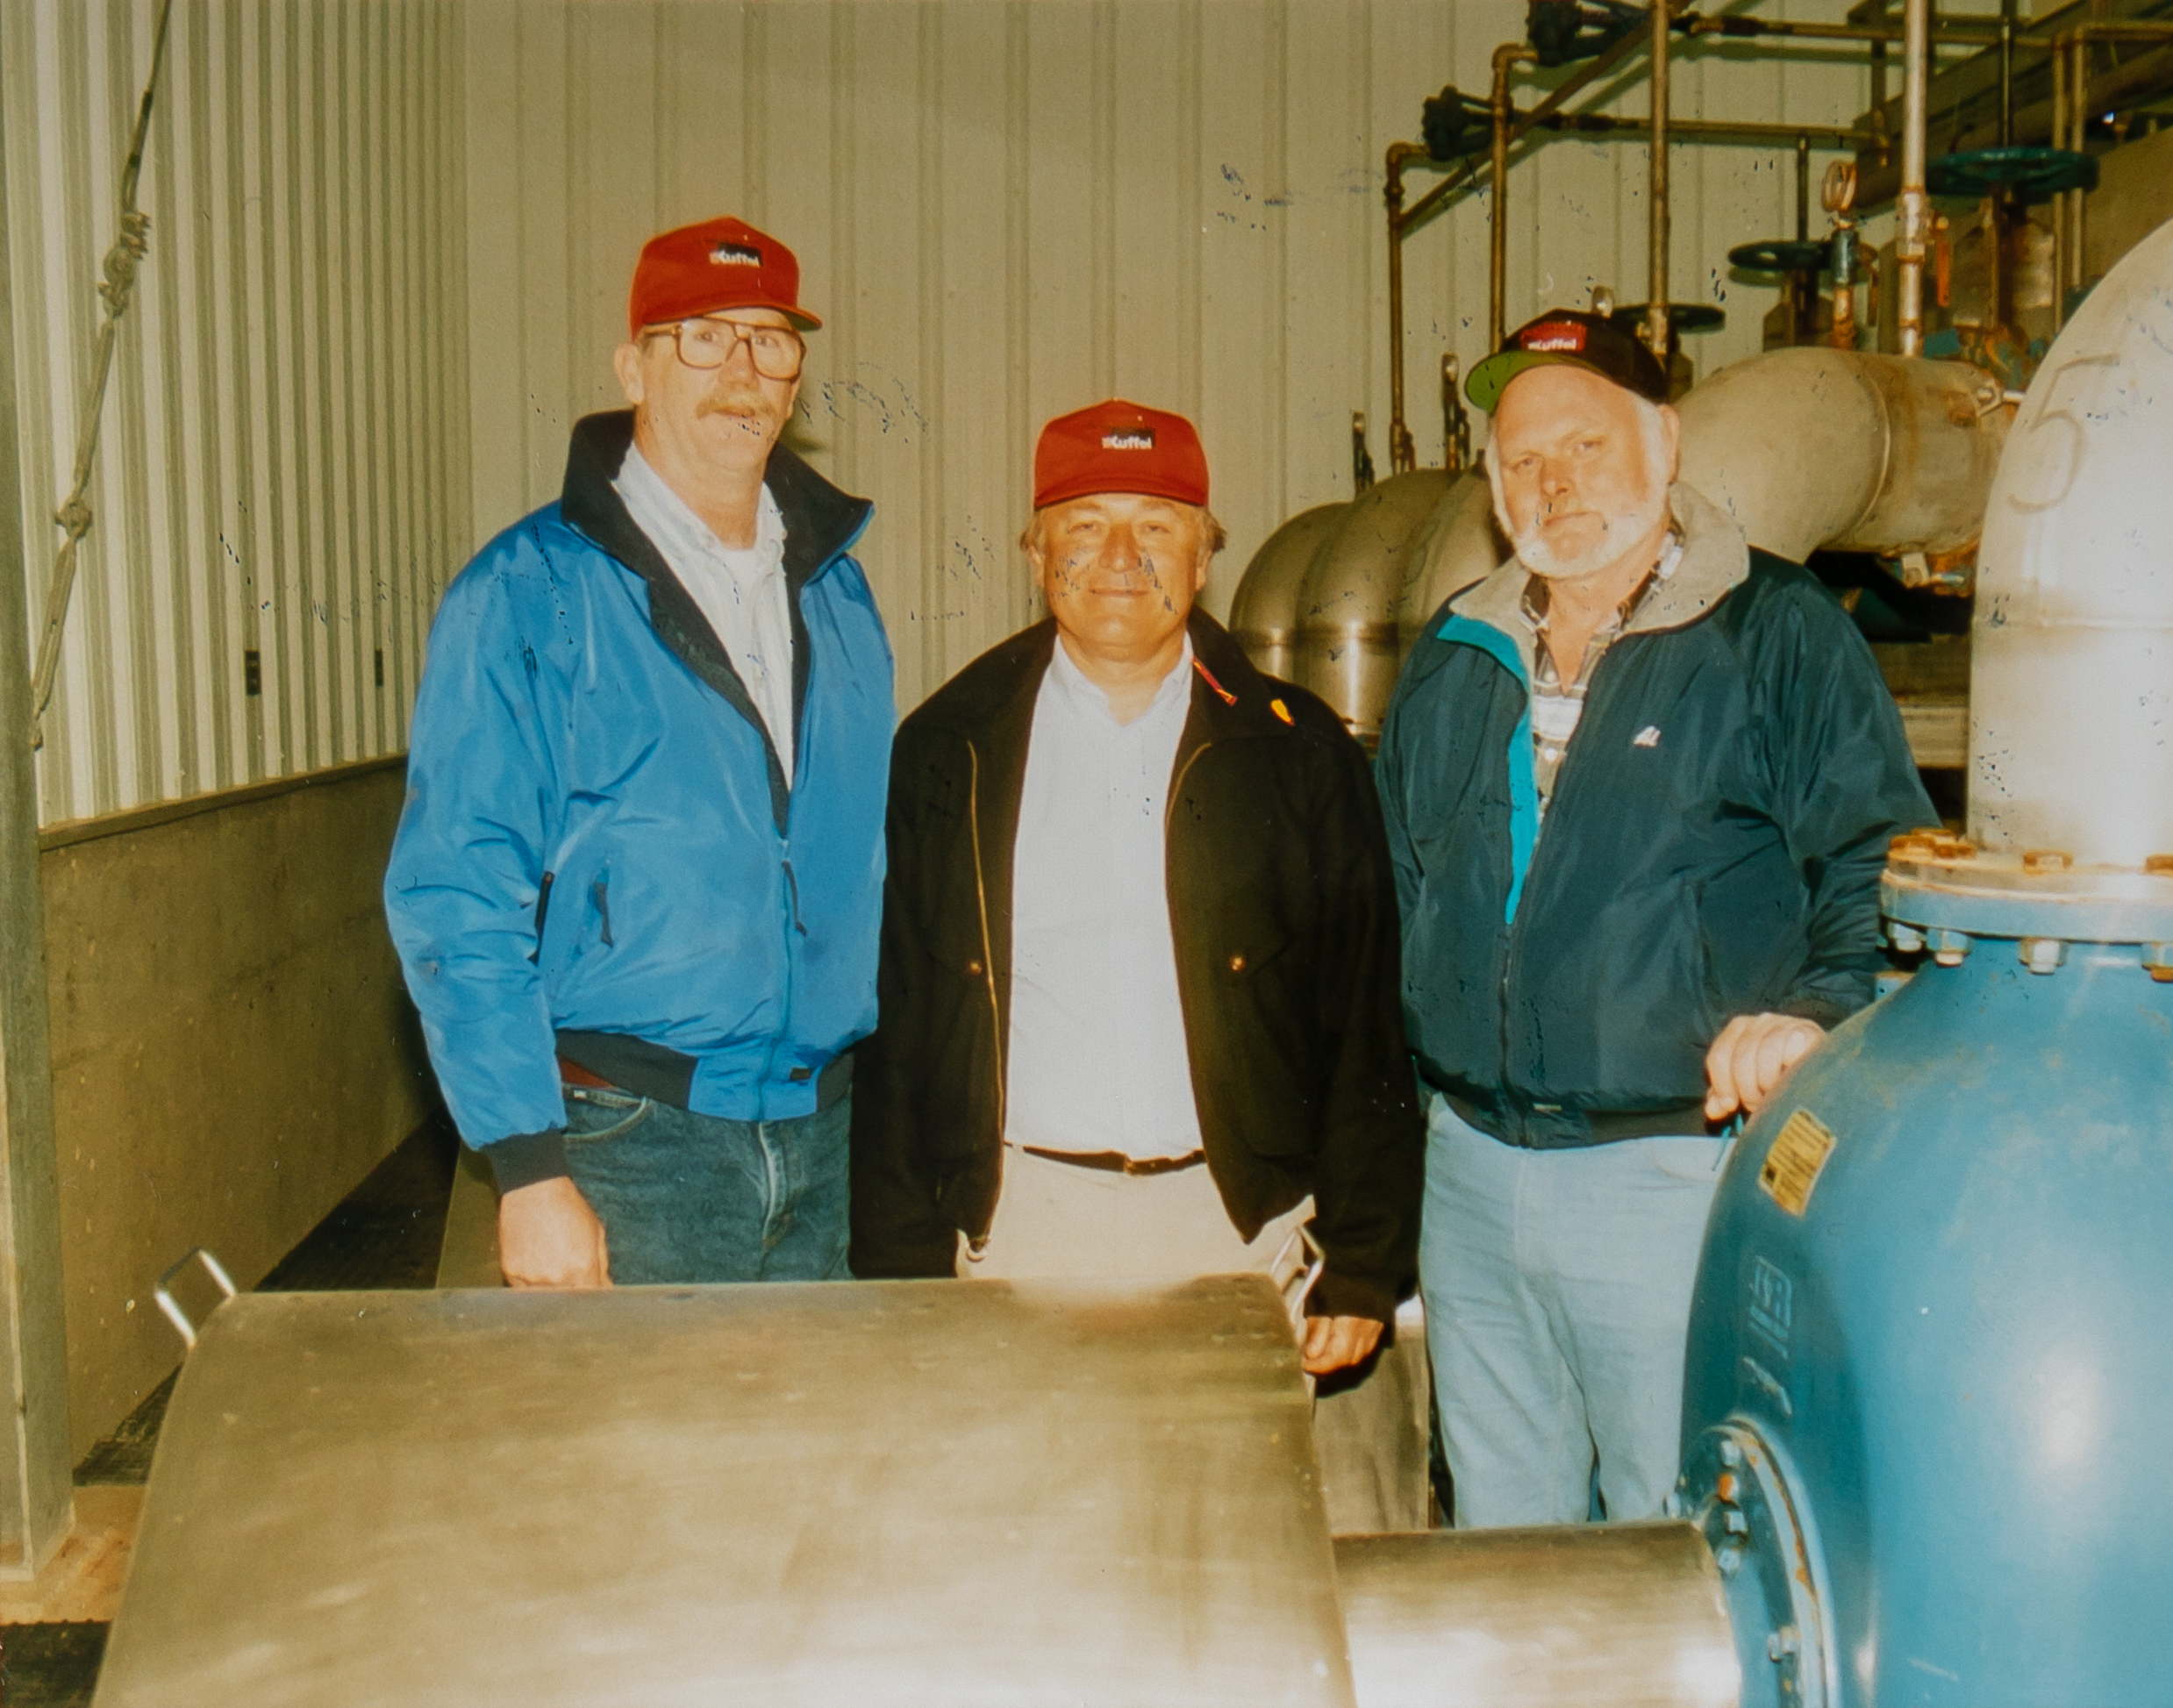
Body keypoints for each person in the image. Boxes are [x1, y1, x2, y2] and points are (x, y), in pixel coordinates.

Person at [1378, 309, 1934, 1527]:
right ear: (1490, 480)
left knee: (1674, 1538)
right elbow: (1407, 889)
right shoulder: (1455, 652)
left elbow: (1876, 865)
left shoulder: (1778, 632)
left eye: (1585, 445)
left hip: (1671, 1170)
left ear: (1665, 440)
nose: (1555, 482)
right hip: (1470, 1172)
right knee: (1502, 1541)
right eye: (1523, 460)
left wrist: (1817, 1012)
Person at [849, 399, 1423, 1383]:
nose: (1121, 556)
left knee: (1233, 1534)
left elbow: (1364, 1022)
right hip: (1023, 1229)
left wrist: (1366, 1262)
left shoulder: (1299, 751)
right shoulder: (952, 748)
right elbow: (902, 1023)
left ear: (1205, 558)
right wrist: (901, 1270)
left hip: (1238, 1233)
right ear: (1037, 553)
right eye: (1084, 525)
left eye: (1156, 527)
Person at [385, 216, 894, 1289]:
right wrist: (526, 1171)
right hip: (628, 1141)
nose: (741, 371)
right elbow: (454, 890)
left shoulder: (841, 592)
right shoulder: (527, 592)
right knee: (634, 1461)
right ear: (634, 367)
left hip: (820, 1135)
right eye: (702, 337)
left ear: (797, 378)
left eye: (770, 340)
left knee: (807, 1457)